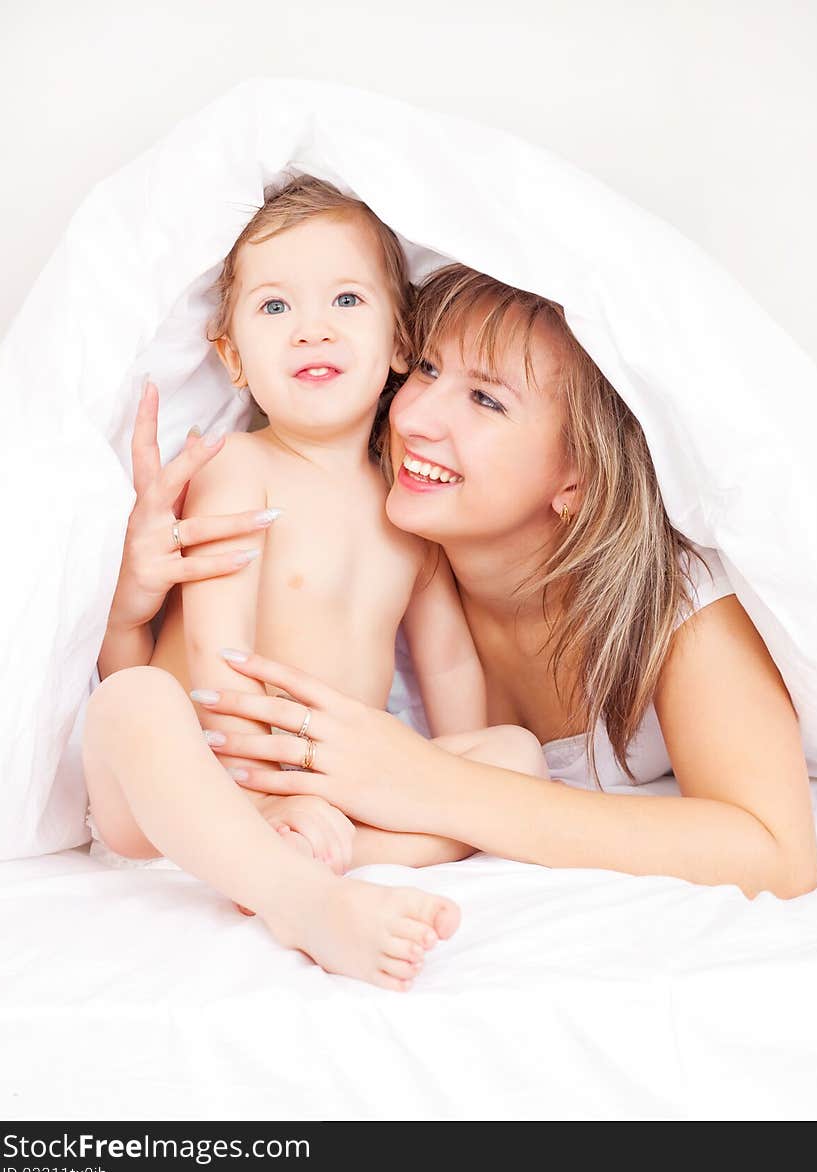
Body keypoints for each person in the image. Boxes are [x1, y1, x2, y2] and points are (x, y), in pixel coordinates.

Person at [200, 264, 817, 901]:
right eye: (429, 369)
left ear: (578, 477)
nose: (413, 417)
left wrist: (430, 785)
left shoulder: (676, 602)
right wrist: (130, 601)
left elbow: (775, 853)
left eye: (487, 400)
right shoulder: (365, 551)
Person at [83, 178, 548, 993]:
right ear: (231, 357)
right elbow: (215, 651)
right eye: (274, 309)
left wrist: (443, 778)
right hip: (198, 774)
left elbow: (447, 666)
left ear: (401, 341)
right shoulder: (240, 467)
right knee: (133, 703)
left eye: (344, 298)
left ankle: (323, 854)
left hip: (330, 791)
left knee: (516, 759)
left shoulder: (410, 502)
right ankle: (299, 895)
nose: (313, 329)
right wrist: (263, 795)